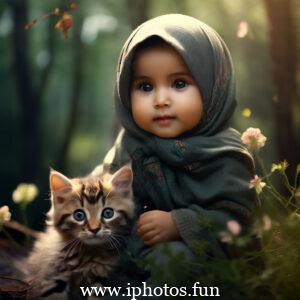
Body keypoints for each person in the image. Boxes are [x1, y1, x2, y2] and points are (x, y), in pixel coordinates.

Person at [92, 13, 256, 288]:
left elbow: (238, 224)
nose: (161, 100)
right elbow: (103, 196)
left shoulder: (226, 155)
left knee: (174, 261)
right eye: (145, 86)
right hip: (134, 257)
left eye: (179, 83)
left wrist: (179, 224)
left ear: (212, 87)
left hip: (203, 266)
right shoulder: (130, 147)